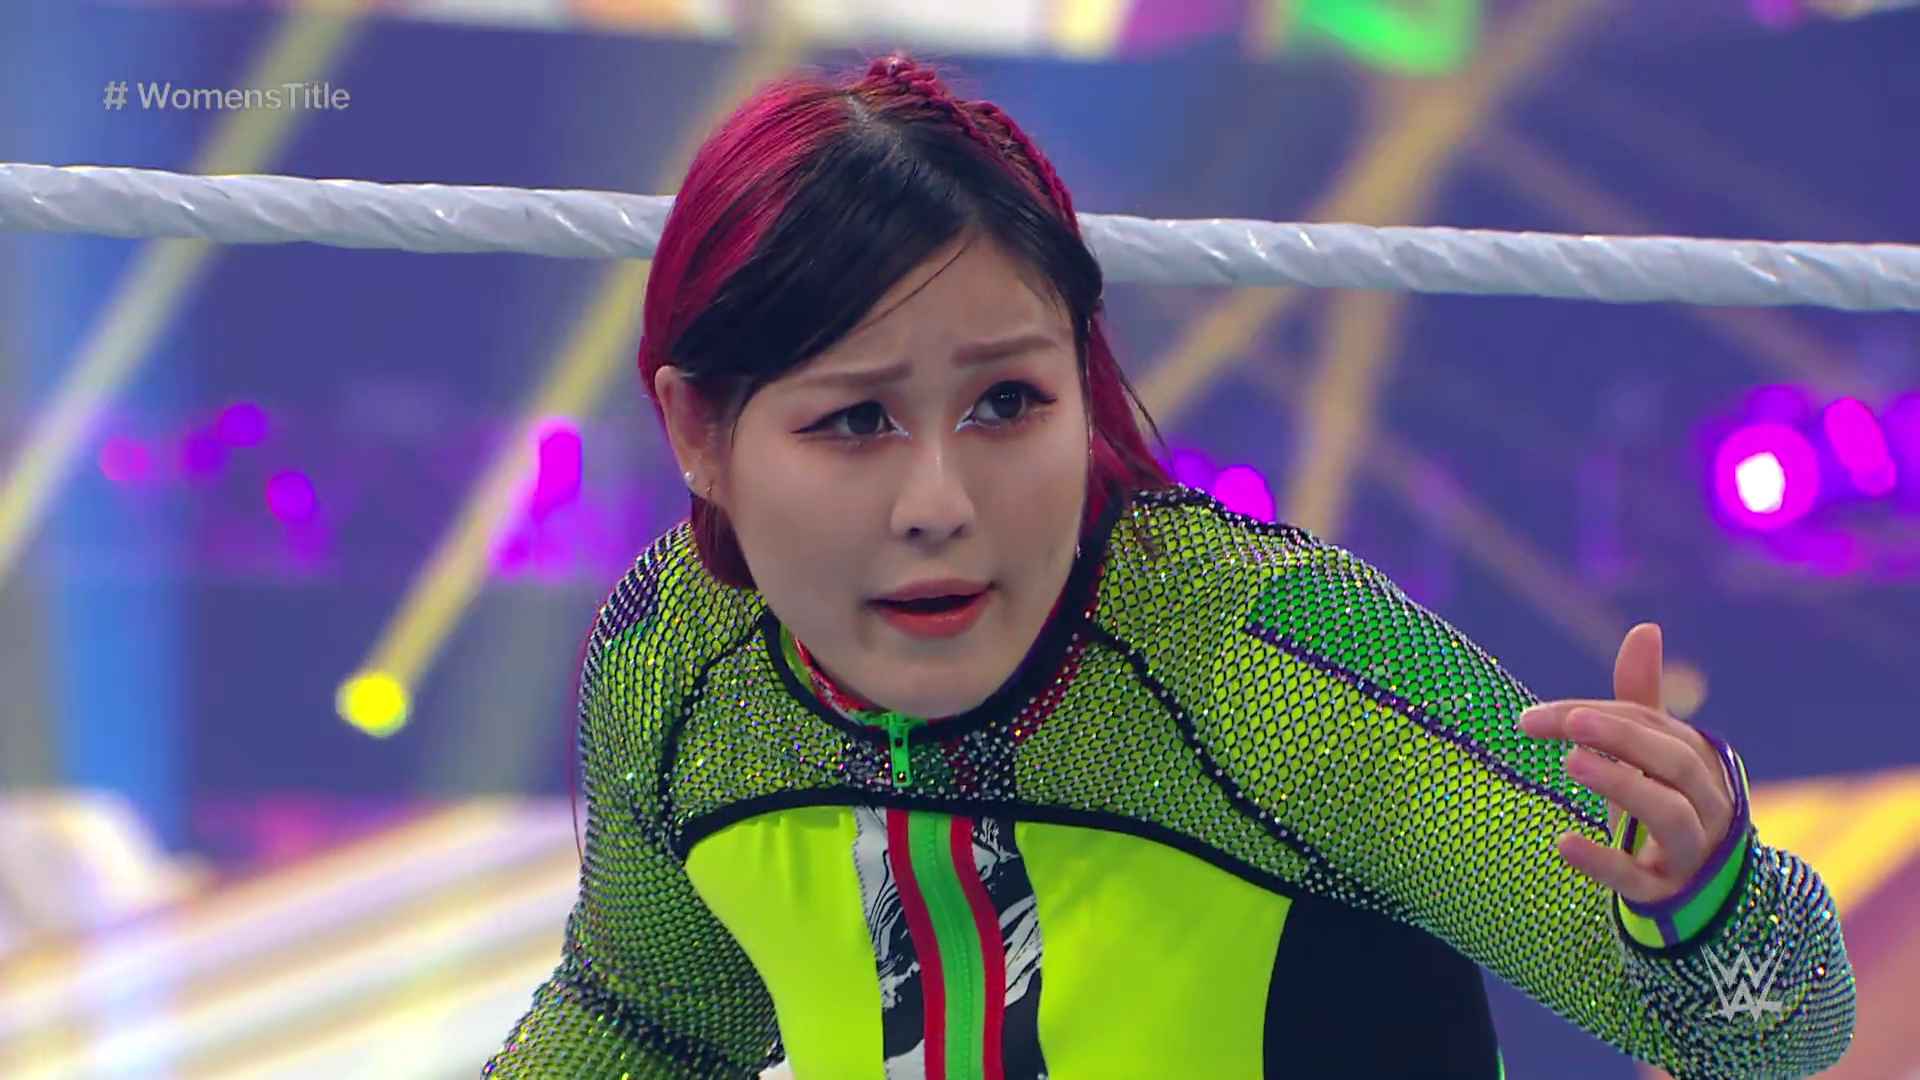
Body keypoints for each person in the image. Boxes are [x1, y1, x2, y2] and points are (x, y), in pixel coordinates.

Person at [484, 57, 1855, 1080]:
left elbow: (1770, 1037)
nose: (939, 504)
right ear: (698, 432)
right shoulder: (676, 658)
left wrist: (1706, 902)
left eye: (1008, 402)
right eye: (853, 422)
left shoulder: (1269, 653)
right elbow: (650, 1017)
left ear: (1082, 386)